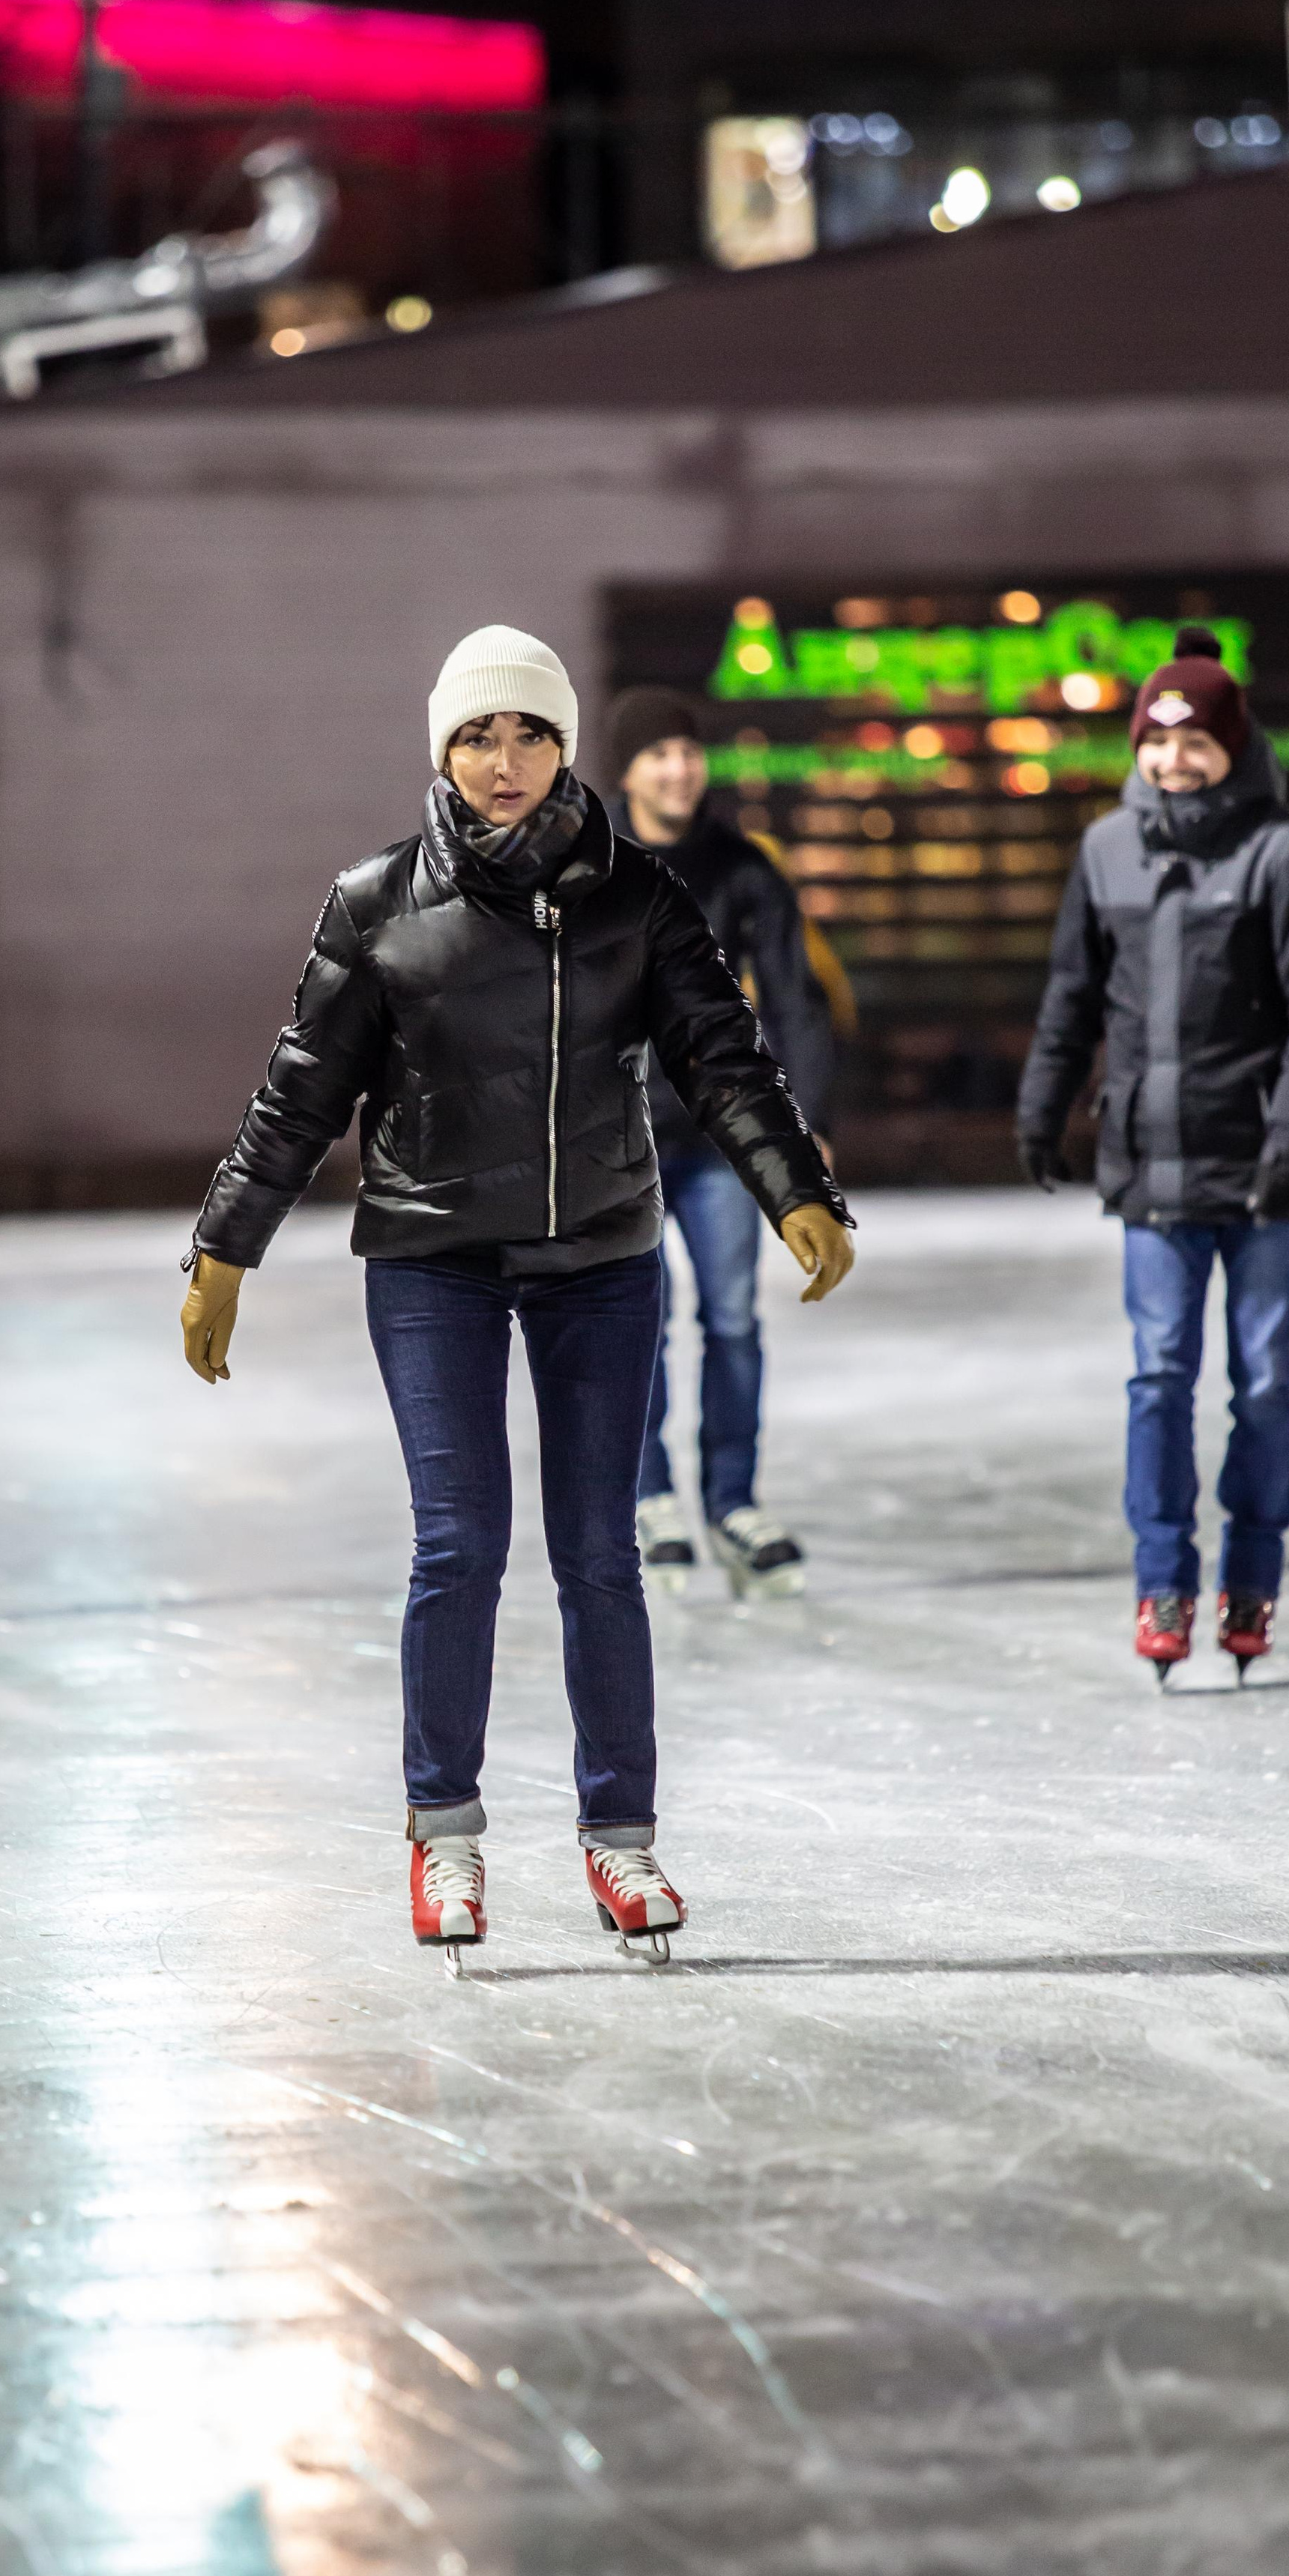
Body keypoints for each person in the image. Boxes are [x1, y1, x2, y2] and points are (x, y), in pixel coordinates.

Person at [179, 625, 852, 1965]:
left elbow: (724, 1058)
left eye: (530, 734)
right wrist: (225, 1249)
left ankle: (623, 1843)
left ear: (563, 748)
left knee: (602, 1553)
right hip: (432, 1259)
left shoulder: (638, 898)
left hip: (599, 1257)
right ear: (443, 749)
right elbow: (301, 1090)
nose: (505, 761)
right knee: (460, 1544)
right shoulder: (375, 904)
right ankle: (447, 1839)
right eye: (479, 737)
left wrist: (793, 1189)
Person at [1015, 628, 1289, 1681]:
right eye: (1157, 746)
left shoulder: (1285, 850)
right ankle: (1163, 1580)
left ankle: (1252, 1577)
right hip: (1153, 1165)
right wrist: (1043, 1101)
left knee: (1263, 1385)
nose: (1173, 764)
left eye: (1194, 744)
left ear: (1230, 746)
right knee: (1159, 1378)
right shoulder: (1109, 847)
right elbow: (1073, 992)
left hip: (1266, 1175)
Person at [605, 686, 839, 1601]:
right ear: (626, 770)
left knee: (733, 1322)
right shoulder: (591, 865)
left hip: (719, 1138)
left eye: (689, 752)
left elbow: (794, 1001)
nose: (678, 768)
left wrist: (806, 1126)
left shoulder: (742, 867)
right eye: (658, 754)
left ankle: (733, 1500)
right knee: (639, 1326)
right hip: (617, 1143)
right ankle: (651, 1494)